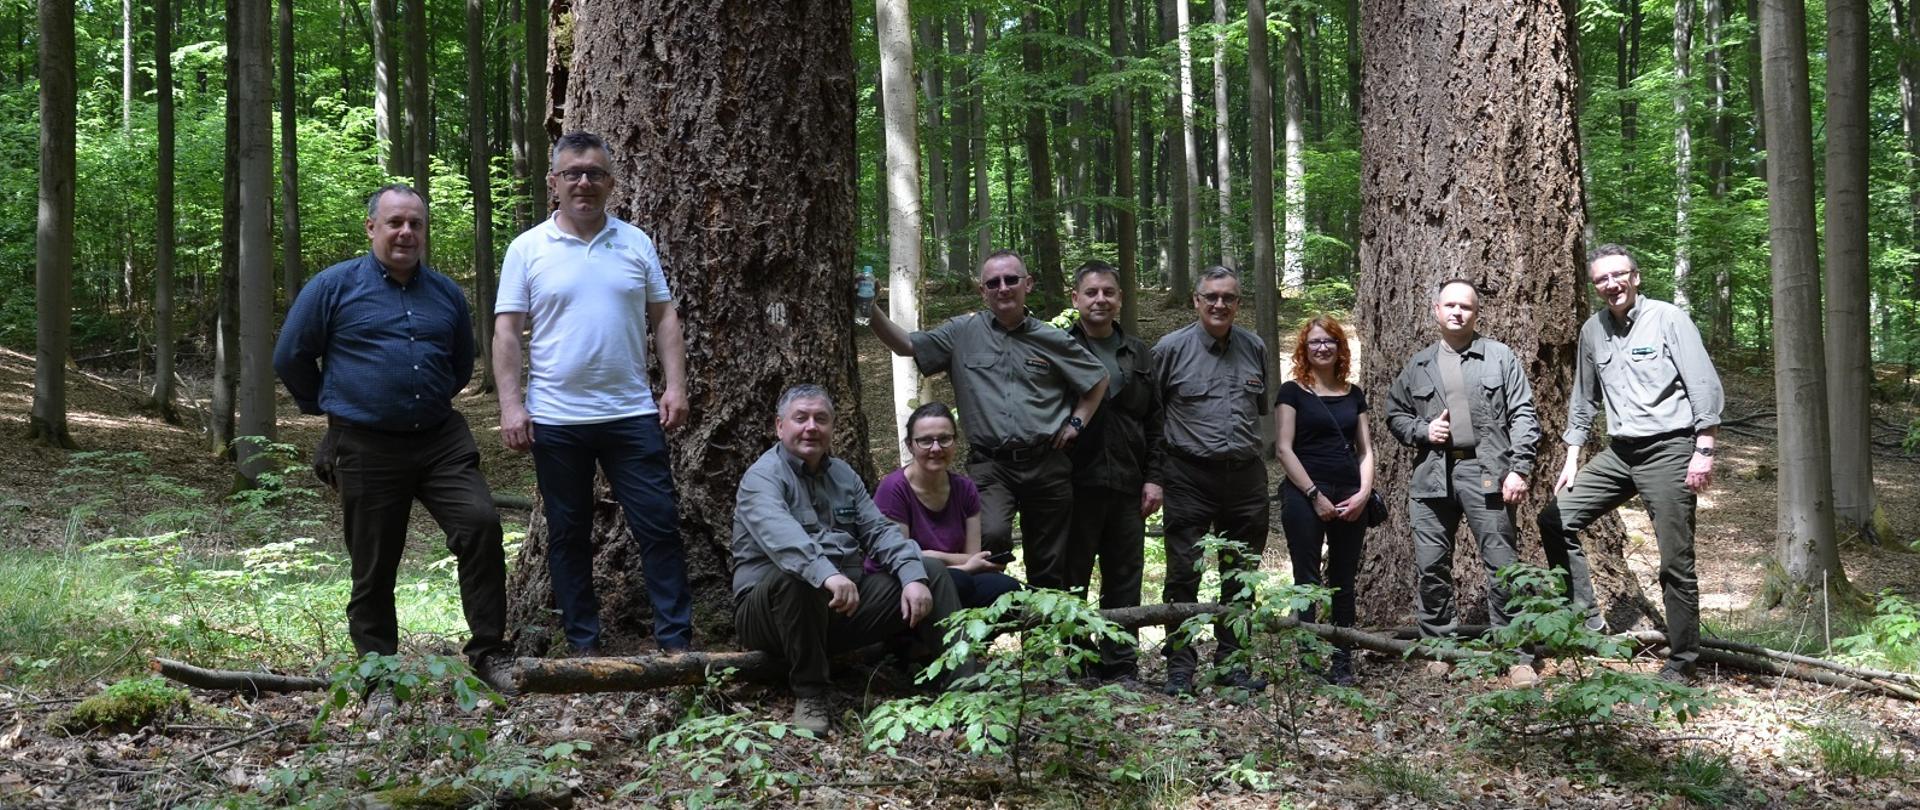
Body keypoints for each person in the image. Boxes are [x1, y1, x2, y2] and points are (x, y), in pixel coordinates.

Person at [273, 184, 513, 717]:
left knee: (480, 525)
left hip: (440, 439)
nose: (406, 232)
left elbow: (460, 363)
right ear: (371, 228)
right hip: (365, 443)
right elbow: (291, 355)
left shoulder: (446, 293)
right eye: (395, 223)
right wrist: (331, 405)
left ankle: (490, 654)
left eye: (415, 224)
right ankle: (378, 675)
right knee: (375, 561)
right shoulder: (333, 287)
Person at [493, 131, 694, 656]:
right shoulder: (527, 248)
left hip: (631, 413)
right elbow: (507, 332)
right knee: (567, 533)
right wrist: (511, 405)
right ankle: (584, 646)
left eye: (595, 174)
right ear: (554, 182)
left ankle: (676, 643)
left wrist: (675, 386)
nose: (584, 182)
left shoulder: (636, 242)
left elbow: (664, 317)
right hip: (556, 419)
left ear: (611, 182)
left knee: (659, 526)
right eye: (573, 173)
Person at [867, 250, 1109, 590]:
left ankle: (1040, 625)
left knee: (1050, 560)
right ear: (983, 291)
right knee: (989, 543)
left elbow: (1098, 378)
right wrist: (870, 309)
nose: (1003, 288)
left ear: (1028, 284)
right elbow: (906, 344)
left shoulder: (1052, 338)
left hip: (1047, 463)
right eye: (993, 283)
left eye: (1011, 280)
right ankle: (992, 614)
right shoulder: (962, 332)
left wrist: (1077, 423)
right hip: (991, 466)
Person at [732, 385, 965, 735]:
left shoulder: (843, 475)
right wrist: (826, 573)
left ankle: (965, 685)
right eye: (801, 418)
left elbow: (880, 531)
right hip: (769, 615)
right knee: (799, 577)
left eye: (821, 419)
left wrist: (912, 575)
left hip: (840, 606)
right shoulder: (762, 477)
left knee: (930, 571)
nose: (811, 427)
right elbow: (784, 538)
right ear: (780, 427)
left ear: (832, 427)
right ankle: (810, 693)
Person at [1539, 245, 1723, 683]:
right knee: (1555, 519)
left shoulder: (1668, 319)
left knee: (1675, 560)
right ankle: (1586, 623)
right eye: (1602, 279)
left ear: (1635, 277)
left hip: (1670, 448)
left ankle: (1683, 660)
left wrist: (1704, 449)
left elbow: (1703, 383)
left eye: (1618, 275)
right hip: (1621, 453)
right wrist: (1572, 455)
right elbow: (1584, 397)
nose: (1611, 285)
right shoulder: (1593, 330)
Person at [1384, 280, 1542, 686]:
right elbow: (1394, 414)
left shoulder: (1499, 357)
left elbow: (1524, 414)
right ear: (1436, 310)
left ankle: (1517, 656)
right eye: (1450, 305)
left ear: (1476, 313)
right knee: (1432, 566)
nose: (1457, 312)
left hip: (1487, 473)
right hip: (1432, 478)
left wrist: (1519, 468)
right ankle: (1441, 649)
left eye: (1466, 307)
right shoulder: (1419, 365)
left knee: (1503, 567)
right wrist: (1422, 431)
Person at [1150, 266, 1271, 696]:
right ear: (1196, 301)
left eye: (1229, 298)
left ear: (1238, 303)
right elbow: (1152, 418)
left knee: (1241, 574)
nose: (1220, 305)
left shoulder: (1255, 347)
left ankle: (1232, 665)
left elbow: (1258, 408)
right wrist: (1154, 477)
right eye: (1212, 297)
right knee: (1184, 574)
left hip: (1245, 478)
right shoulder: (1169, 350)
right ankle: (1180, 669)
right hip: (1188, 476)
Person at [1064, 261, 1162, 683]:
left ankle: (1120, 665)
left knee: (1124, 577)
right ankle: (1078, 663)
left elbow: (1155, 420)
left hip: (1128, 482)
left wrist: (1154, 478)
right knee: (1073, 578)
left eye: (1108, 291)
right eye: (1091, 292)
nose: (1100, 299)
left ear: (1120, 298)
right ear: (1076, 299)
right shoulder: (1059, 346)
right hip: (1073, 483)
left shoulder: (1138, 352)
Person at [1273, 315, 1374, 686]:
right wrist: (1314, 494)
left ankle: (1342, 661)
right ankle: (1309, 660)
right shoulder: (1292, 391)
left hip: (1350, 495)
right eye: (1314, 341)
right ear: (1305, 348)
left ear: (1339, 347)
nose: (1322, 347)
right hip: (1304, 494)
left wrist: (1363, 493)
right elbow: (1283, 449)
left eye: (1329, 341)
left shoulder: (1354, 393)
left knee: (1344, 580)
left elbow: (1366, 450)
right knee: (1307, 578)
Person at [872, 402, 1023, 609]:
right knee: (959, 582)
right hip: (903, 581)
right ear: (910, 445)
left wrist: (938, 558)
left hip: (955, 577)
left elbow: (972, 555)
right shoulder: (894, 488)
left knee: (1006, 587)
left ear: (955, 442)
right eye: (925, 441)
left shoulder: (965, 488)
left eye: (944, 439)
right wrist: (962, 565)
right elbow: (903, 557)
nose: (936, 448)